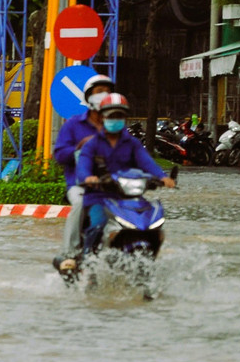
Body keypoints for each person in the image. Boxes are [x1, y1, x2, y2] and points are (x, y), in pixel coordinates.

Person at [74, 93, 175, 254]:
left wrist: (162, 177)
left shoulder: (132, 143)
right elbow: (83, 167)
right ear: (102, 118)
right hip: (99, 196)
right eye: (111, 115)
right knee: (98, 224)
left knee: (153, 225)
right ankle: (87, 261)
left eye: (119, 115)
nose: (115, 119)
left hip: (128, 197)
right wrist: (88, 177)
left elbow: (146, 162)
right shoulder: (92, 145)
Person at [53, 73, 116, 273]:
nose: (103, 96)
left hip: (109, 186)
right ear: (89, 97)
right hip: (80, 186)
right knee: (81, 202)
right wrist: (80, 147)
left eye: (107, 92)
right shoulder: (73, 124)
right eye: (99, 92)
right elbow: (59, 154)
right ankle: (70, 253)